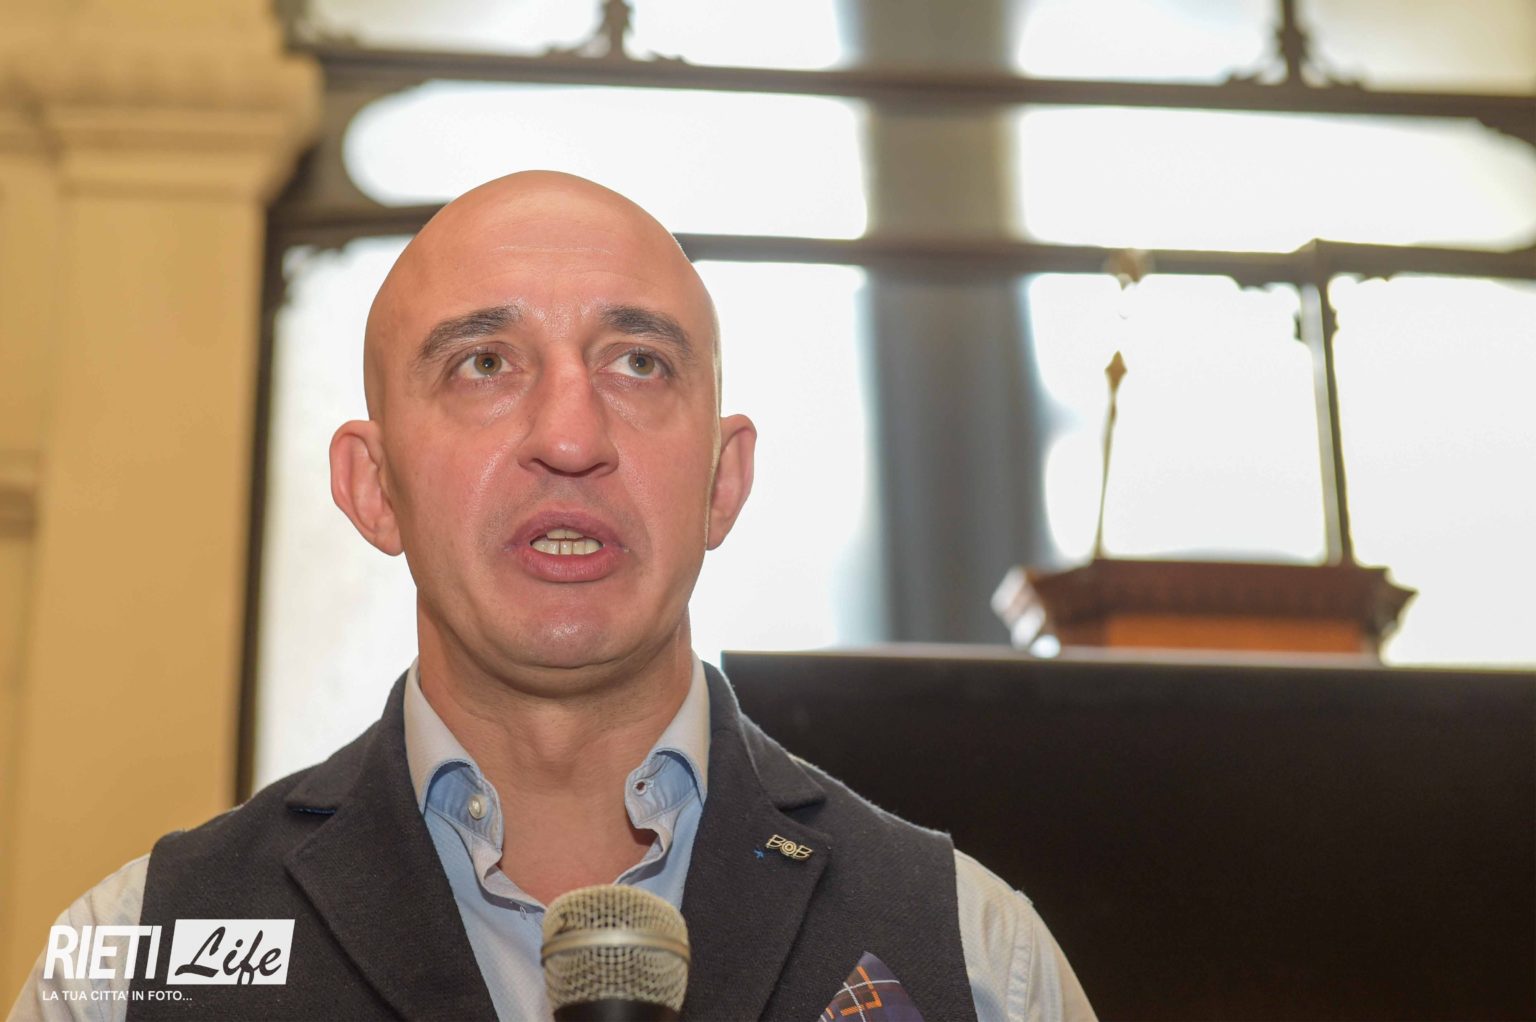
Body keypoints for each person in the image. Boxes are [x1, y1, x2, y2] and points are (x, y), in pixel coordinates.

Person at [9, 172, 1093, 1021]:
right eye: (484, 363)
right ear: (373, 487)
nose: (571, 437)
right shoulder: (143, 959)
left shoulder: (976, 959)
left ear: (723, 482)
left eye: (638, 363)